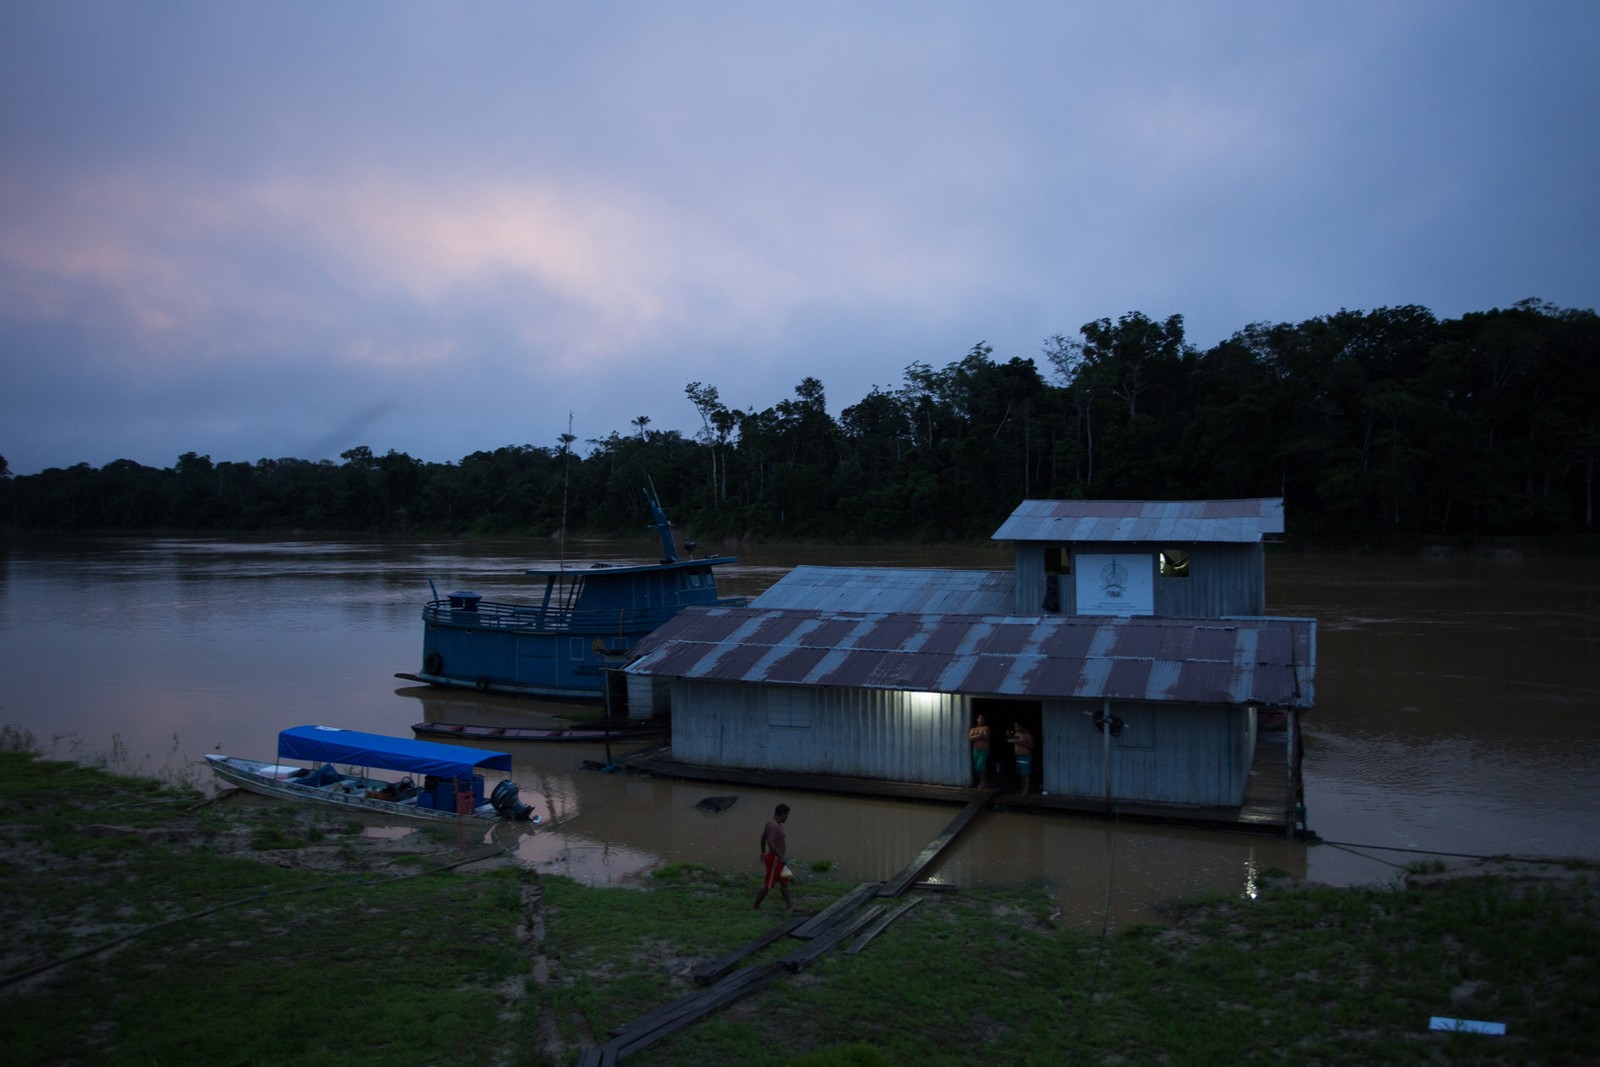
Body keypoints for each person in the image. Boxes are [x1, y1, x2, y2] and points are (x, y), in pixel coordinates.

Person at [754, 803, 793, 911]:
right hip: (775, 859)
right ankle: (756, 905)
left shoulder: (772, 823)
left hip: (778, 859)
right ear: (783, 815)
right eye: (787, 815)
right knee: (768, 884)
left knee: (784, 882)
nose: (787, 818)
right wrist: (781, 856)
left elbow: (763, 838)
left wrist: (762, 852)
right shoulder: (774, 826)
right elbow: (770, 842)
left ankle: (789, 905)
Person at [1010, 722, 1035, 796]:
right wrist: (1009, 736)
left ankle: (1026, 790)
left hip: (1025, 756)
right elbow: (1014, 740)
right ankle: (1023, 788)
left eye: (1017, 727)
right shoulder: (1016, 734)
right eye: (1015, 727)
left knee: (1025, 773)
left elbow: (1032, 745)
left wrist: (1020, 742)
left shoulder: (1027, 734)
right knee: (1021, 774)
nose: (1015, 729)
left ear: (1021, 727)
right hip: (1018, 757)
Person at [968, 713, 991, 787]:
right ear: (977, 719)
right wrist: (979, 735)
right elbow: (970, 739)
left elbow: (986, 738)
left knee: (980, 766)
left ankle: (983, 781)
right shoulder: (973, 729)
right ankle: (982, 781)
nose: (982, 720)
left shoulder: (986, 728)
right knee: (979, 767)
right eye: (980, 718)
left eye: (983, 719)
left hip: (984, 750)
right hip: (975, 750)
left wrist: (975, 737)